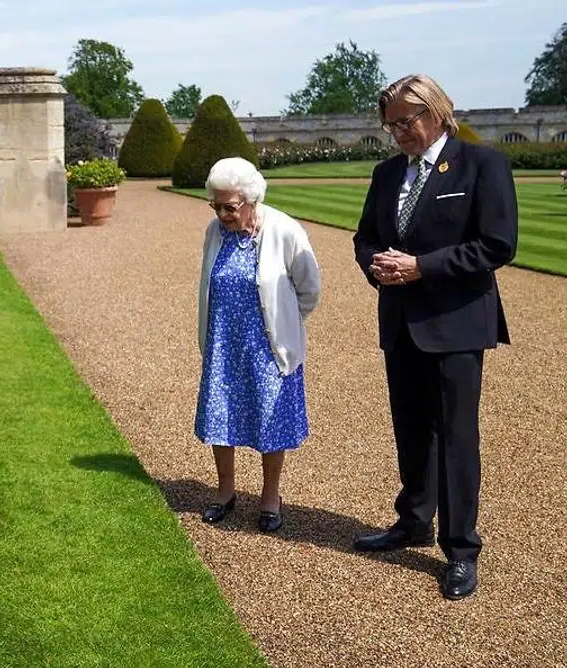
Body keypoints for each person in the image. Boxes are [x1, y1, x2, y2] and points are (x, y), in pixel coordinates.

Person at [351, 74, 517, 601]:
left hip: (456, 321)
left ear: (438, 112)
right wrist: (376, 266)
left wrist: (422, 266)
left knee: (456, 436)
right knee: (411, 428)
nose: (400, 131)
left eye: (408, 120)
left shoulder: (481, 164)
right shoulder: (386, 173)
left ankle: (462, 549)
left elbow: (497, 244)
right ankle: (414, 520)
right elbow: (365, 237)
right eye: (392, 124)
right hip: (400, 320)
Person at [194, 157, 322, 533]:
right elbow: (208, 284)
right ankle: (225, 491)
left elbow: (309, 290)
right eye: (216, 206)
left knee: (270, 421)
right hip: (223, 345)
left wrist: (284, 323)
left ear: (252, 200)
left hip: (267, 348)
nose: (222, 215)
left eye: (230, 207)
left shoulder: (284, 230)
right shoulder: (215, 232)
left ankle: (270, 496)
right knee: (220, 417)